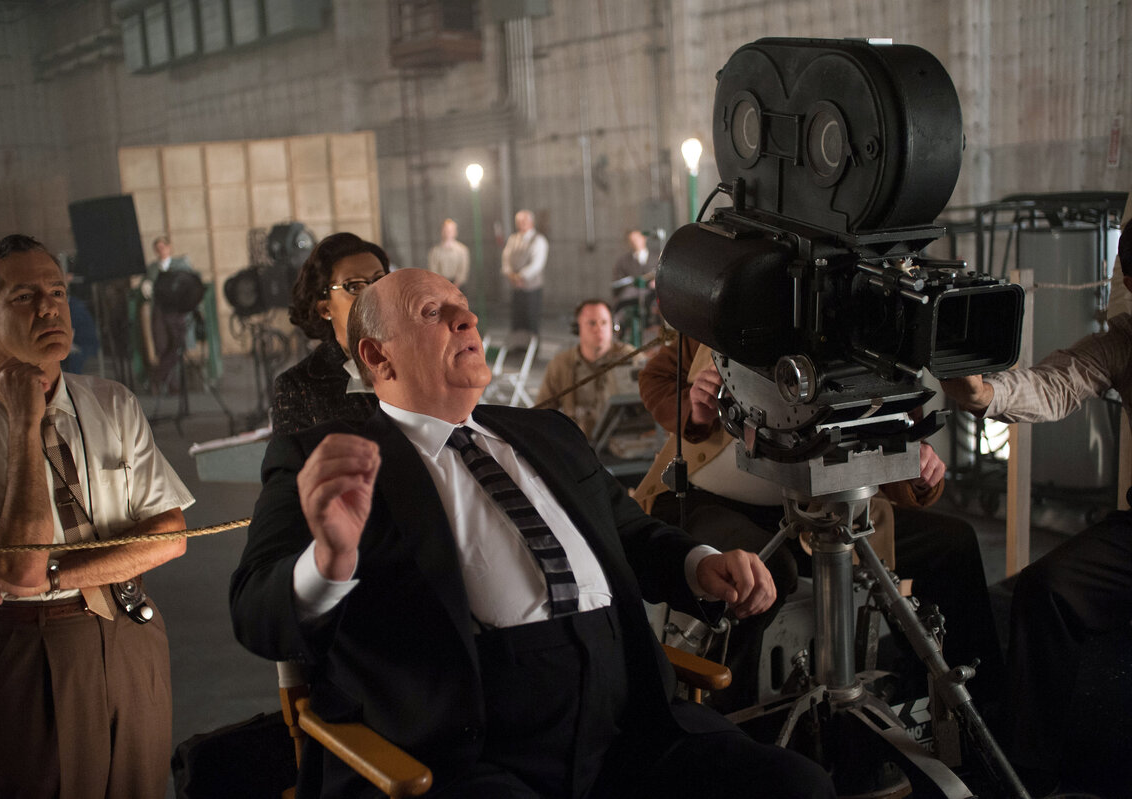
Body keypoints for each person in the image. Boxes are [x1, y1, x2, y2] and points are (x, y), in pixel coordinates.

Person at [229, 268, 835, 799]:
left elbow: (627, 531)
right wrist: (329, 559)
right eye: (433, 312)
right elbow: (257, 612)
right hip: (469, 755)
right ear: (378, 356)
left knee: (798, 786)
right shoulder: (324, 458)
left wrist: (698, 564)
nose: (467, 318)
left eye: (465, 306)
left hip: (634, 728)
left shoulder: (548, 432)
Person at [0, 234, 193, 797]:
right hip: (33, 649)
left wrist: (55, 574)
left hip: (130, 628)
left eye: (56, 291)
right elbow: (19, 571)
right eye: (25, 297)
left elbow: (170, 536)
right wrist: (24, 424)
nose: (50, 308)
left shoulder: (113, 402)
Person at [635, 336, 1003, 712]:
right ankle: (722, 716)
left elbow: (895, 431)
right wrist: (693, 408)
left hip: (819, 506)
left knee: (952, 544)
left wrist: (919, 469)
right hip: (706, 500)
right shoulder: (718, 323)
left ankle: (962, 708)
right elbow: (655, 378)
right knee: (759, 574)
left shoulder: (870, 340)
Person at [939, 225, 1132, 795]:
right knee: (1045, 589)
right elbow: (1055, 384)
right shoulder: (1123, 341)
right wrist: (984, 394)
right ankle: (1027, 772)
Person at [271, 232, 391, 435]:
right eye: (354, 286)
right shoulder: (299, 387)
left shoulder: (419, 358)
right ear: (325, 308)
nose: (373, 293)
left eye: (379, 280)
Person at [536, 299, 638, 439]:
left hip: (621, 440)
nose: (598, 329)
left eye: (604, 323)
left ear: (613, 327)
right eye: (592, 323)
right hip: (576, 442)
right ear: (578, 329)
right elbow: (541, 413)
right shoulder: (562, 364)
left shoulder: (631, 358)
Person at [142, 235, 197, 393]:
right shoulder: (153, 268)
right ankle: (169, 383)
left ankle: (159, 378)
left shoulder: (180, 264)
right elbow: (146, 286)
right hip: (160, 310)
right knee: (162, 345)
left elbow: (191, 282)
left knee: (177, 345)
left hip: (176, 310)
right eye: (157, 248)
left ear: (169, 247)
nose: (161, 250)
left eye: (163, 247)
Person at [500, 209, 548, 339]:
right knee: (517, 320)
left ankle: (533, 347)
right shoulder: (513, 238)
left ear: (531, 222)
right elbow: (506, 258)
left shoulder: (539, 240)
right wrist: (510, 274)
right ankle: (517, 345)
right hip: (516, 287)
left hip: (532, 288)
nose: (521, 223)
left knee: (531, 320)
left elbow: (537, 264)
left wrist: (521, 276)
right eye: (519, 221)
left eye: (524, 221)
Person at [427, 218, 470, 289]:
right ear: (442, 231)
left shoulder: (462, 250)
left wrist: (455, 286)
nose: (448, 232)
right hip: (440, 286)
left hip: (458, 288)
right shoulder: (434, 251)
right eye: (446, 230)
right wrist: (441, 285)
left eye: (450, 230)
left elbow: (463, 272)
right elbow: (433, 271)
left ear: (455, 232)